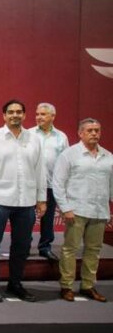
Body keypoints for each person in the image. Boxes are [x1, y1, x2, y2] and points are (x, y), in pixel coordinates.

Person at [0, 99, 47, 303]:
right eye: (10, 112)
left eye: (18, 112)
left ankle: (15, 284)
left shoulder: (34, 139)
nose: (15, 115)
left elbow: (40, 170)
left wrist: (41, 198)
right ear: (4, 116)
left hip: (26, 202)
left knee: (22, 246)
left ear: (25, 115)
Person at [54, 118, 112, 302]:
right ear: (80, 133)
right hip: (76, 210)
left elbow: (111, 186)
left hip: (99, 211)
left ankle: (88, 285)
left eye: (97, 130)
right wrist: (65, 208)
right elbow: (58, 183)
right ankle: (67, 286)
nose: (94, 133)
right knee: (70, 249)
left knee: (94, 250)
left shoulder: (108, 157)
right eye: (90, 130)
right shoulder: (69, 155)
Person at [33, 103, 69, 262]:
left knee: (48, 218)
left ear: (52, 116)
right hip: (30, 184)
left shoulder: (61, 137)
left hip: (51, 184)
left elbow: (65, 162)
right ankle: (23, 245)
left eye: (43, 114)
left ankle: (45, 247)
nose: (39, 117)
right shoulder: (28, 134)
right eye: (37, 114)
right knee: (26, 218)